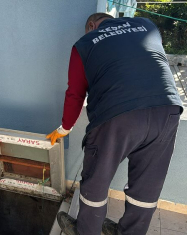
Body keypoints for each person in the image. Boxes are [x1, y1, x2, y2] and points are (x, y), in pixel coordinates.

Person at [46, 13, 183, 235]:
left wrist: (65, 128)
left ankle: (86, 231)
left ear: (91, 26)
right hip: (167, 110)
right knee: (146, 186)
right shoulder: (145, 25)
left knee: (96, 181)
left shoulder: (85, 43)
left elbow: (75, 94)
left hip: (117, 115)